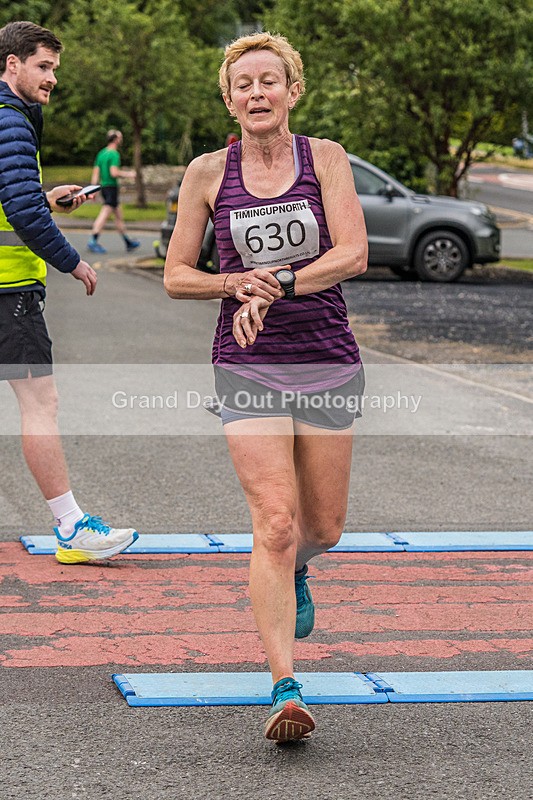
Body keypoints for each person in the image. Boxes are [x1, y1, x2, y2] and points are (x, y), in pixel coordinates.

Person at [164, 32, 367, 742]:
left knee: (322, 529)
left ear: (292, 90)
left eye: (268, 81)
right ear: (228, 98)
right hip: (246, 361)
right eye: (242, 84)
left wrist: (276, 282)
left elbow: (352, 253)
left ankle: (295, 569)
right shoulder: (206, 173)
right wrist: (230, 283)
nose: (256, 93)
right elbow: (175, 274)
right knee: (274, 524)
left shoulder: (327, 160)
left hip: (325, 356)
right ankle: (285, 687)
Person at [0, 21, 138, 563]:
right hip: (9, 287)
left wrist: (47, 196)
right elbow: (21, 211)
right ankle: (70, 528)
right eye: (44, 66)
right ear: (12, 63)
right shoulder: (10, 120)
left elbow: (18, 195)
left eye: (55, 68)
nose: (53, 77)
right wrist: (72, 261)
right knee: (41, 404)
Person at [87, 129, 140, 254]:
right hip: (111, 187)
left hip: (104, 188)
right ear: (116, 139)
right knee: (105, 213)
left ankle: (128, 241)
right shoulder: (114, 154)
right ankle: (92, 240)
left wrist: (92, 190)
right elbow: (114, 172)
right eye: (120, 137)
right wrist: (130, 174)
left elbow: (96, 173)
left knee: (118, 216)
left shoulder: (101, 153)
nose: (121, 140)